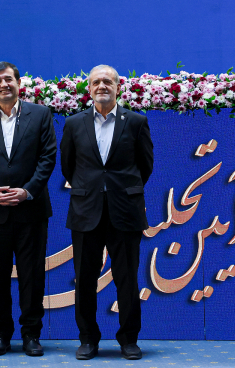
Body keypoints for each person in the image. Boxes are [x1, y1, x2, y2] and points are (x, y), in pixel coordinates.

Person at [60, 65, 153, 361]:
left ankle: (129, 339)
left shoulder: (136, 122)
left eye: (107, 82)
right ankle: (88, 339)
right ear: (89, 89)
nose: (102, 86)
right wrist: (91, 189)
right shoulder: (74, 123)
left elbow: (145, 166)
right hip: (85, 211)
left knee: (127, 278)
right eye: (96, 82)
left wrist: (121, 191)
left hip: (125, 212)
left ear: (117, 87)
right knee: (84, 280)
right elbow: (68, 166)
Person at [0, 61, 57, 357]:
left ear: (19, 83)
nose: (3, 85)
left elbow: (48, 157)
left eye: (8, 79)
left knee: (32, 276)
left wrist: (27, 191)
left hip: (31, 210)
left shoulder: (40, 114)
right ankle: (1, 335)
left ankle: (31, 335)